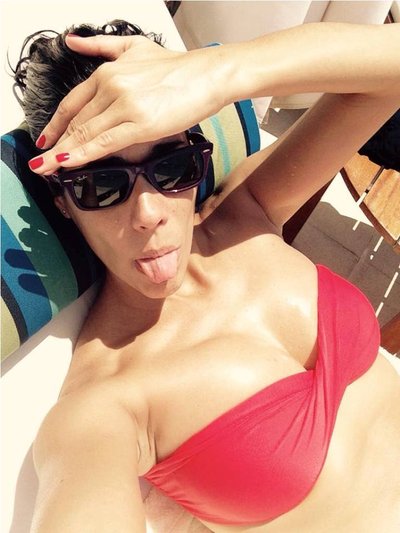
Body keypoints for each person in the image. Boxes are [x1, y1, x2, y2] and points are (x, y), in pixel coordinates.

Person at [14, 18, 400, 533]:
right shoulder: (105, 405)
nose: (150, 212)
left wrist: (218, 72)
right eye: (101, 185)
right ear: (62, 200)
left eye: (172, 166)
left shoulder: (248, 208)